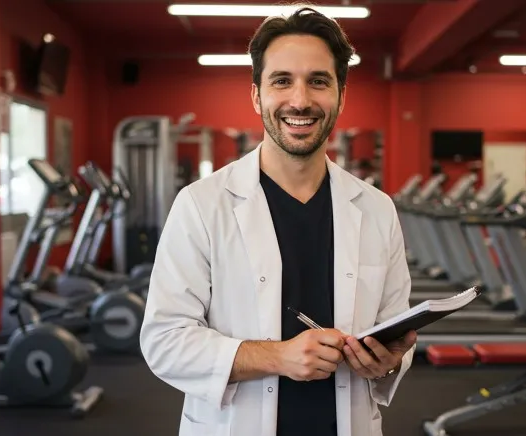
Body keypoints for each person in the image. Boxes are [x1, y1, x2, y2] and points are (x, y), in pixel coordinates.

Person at [140, 7, 416, 436]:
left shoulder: (377, 209)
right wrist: (277, 357)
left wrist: (388, 359)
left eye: (319, 81)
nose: (301, 100)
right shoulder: (201, 204)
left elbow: (396, 325)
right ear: (256, 95)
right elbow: (164, 341)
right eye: (282, 80)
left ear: (341, 94)